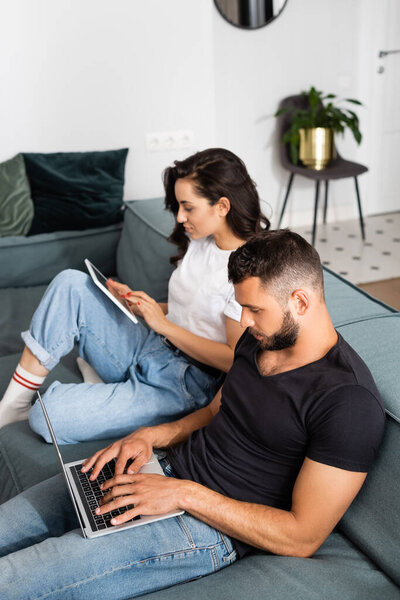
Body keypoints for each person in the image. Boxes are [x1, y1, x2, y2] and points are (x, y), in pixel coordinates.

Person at [0, 230, 385, 599]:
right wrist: (152, 436)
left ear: (300, 302)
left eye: (254, 309)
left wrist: (184, 493)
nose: (244, 323)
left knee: (14, 578)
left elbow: (302, 537)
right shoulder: (259, 340)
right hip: (163, 471)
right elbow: (217, 409)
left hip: (205, 528)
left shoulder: (348, 402)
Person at [0, 148, 269, 443]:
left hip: (185, 383)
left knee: (47, 418)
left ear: (222, 206)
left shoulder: (246, 270)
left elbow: (233, 358)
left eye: (188, 207)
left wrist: (163, 324)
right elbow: (195, 311)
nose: (180, 217)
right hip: (152, 346)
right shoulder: (203, 240)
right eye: (179, 206)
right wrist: (144, 306)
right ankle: (14, 404)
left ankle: (107, 386)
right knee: (71, 283)